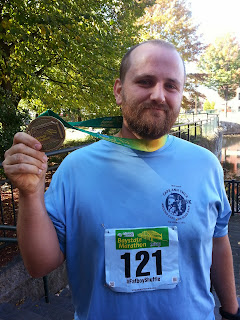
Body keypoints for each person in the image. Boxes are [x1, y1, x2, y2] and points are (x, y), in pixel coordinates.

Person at [3, 40, 239, 320]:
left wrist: (231, 309)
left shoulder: (206, 165)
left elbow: (218, 241)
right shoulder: (76, 169)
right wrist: (30, 195)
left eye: (171, 86)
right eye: (145, 81)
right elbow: (39, 266)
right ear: (119, 90)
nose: (158, 95)